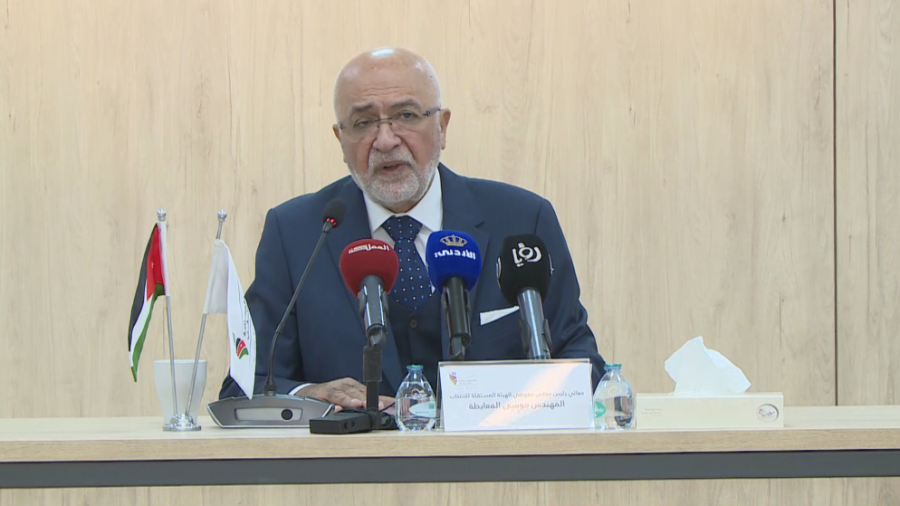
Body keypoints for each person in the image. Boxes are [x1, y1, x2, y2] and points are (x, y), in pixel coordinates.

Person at [219, 47, 605, 410]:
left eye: (406, 115)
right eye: (363, 122)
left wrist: (502, 404)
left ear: (442, 126)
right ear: (340, 139)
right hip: (354, 459)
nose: (386, 141)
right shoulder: (296, 234)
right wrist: (310, 396)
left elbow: (584, 365)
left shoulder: (521, 220)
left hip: (494, 454)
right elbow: (244, 385)